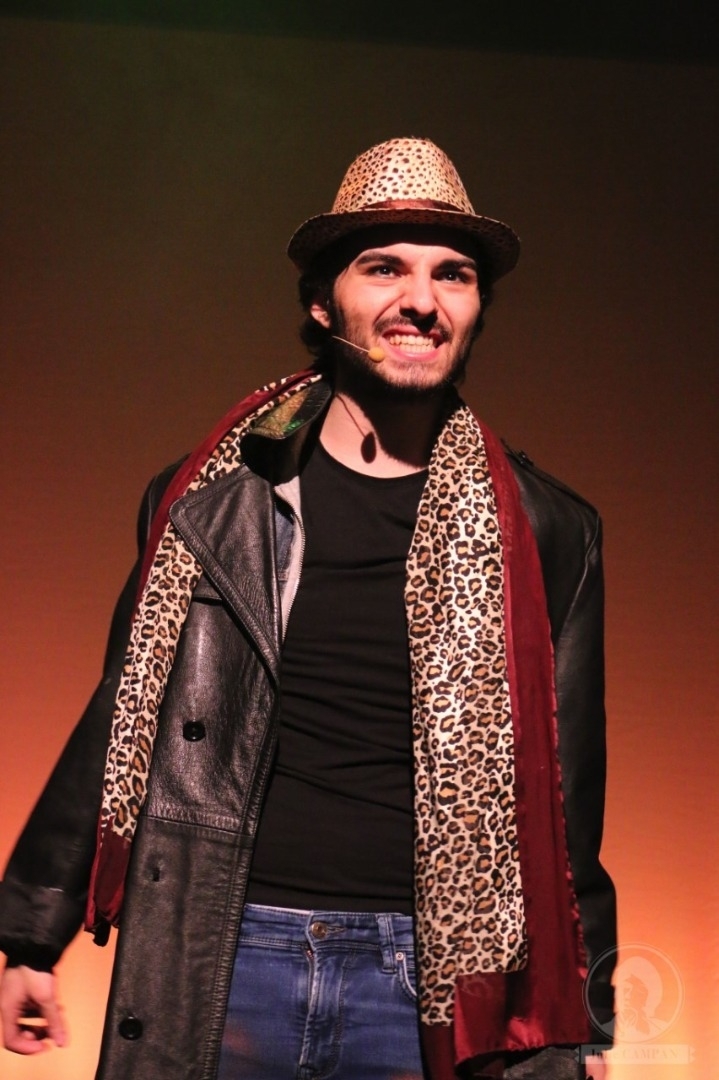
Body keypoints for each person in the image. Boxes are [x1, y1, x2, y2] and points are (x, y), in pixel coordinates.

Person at [0, 138, 616, 1079]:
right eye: (384, 268)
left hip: (426, 977)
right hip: (228, 948)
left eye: (452, 275)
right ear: (324, 304)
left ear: (476, 308)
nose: (421, 300)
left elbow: (566, 795)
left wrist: (586, 1016)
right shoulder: (210, 499)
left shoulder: (545, 528)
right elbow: (126, 710)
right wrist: (32, 933)